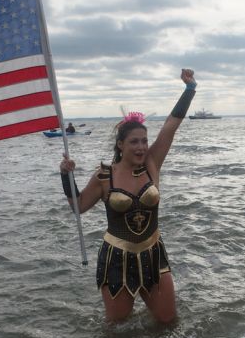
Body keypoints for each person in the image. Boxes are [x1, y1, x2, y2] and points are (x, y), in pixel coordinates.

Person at [59, 69, 197, 323]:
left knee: (168, 324)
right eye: (134, 142)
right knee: (117, 334)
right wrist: (66, 177)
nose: (142, 147)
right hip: (116, 259)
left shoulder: (152, 163)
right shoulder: (104, 176)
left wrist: (189, 90)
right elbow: (78, 207)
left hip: (153, 253)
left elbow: (170, 126)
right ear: (121, 144)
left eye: (144, 141)